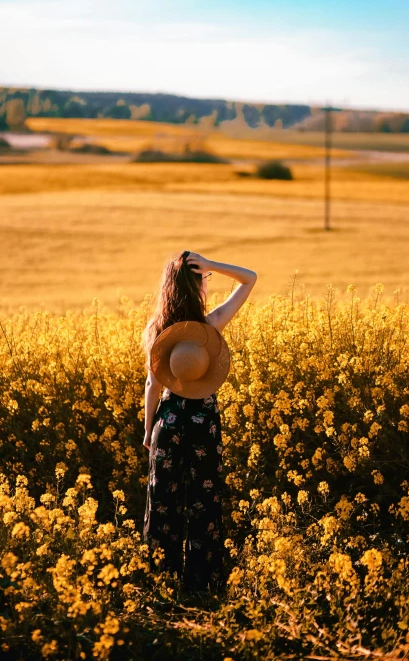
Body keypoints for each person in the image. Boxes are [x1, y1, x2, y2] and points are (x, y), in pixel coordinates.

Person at [140, 249, 257, 594]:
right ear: (196, 287)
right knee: (204, 504)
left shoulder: (157, 331)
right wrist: (212, 266)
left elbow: (152, 385)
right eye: (202, 280)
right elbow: (250, 278)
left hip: (169, 423)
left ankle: (161, 581)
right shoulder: (209, 326)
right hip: (202, 424)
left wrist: (149, 429)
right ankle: (203, 583)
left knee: (163, 503)